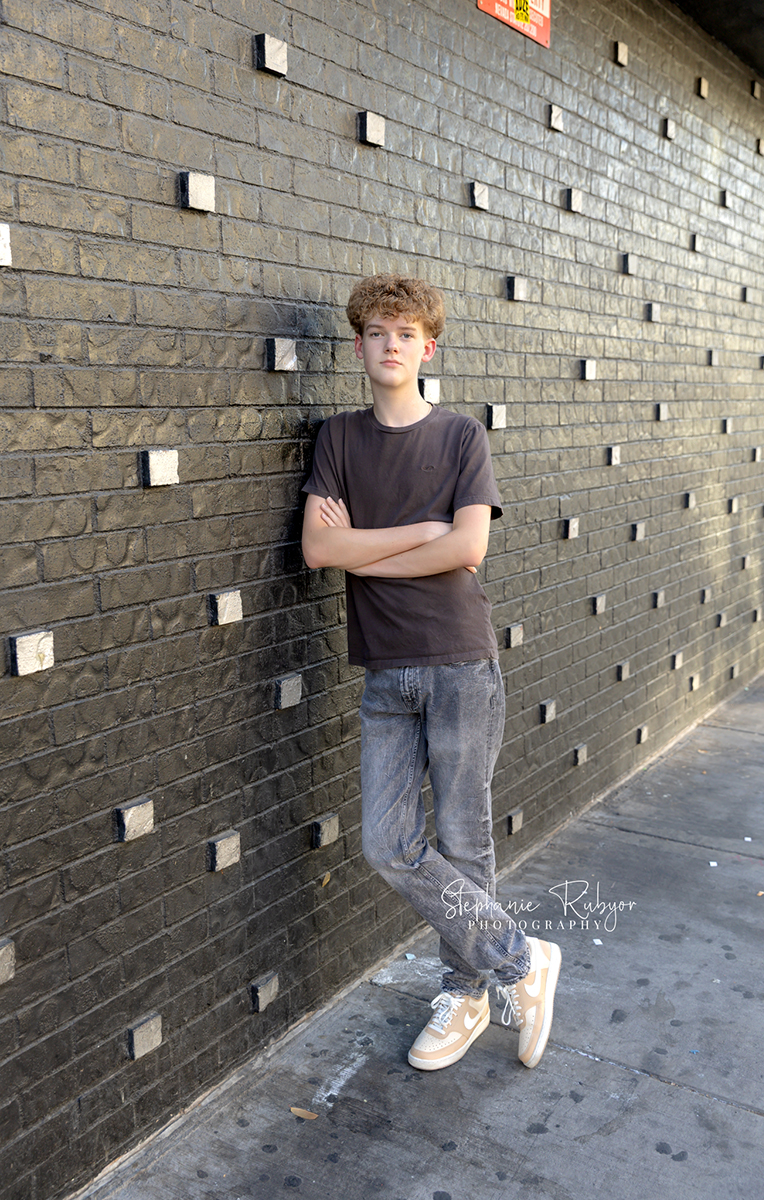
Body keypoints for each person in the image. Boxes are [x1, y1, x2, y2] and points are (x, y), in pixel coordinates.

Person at [301, 273, 560, 1071]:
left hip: (457, 664)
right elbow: (319, 552)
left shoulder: (459, 438)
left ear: (427, 347)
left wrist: (369, 547)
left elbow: (467, 549)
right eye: (377, 332)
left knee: (462, 837)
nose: (391, 345)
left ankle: (467, 995)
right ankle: (521, 959)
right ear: (358, 346)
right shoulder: (338, 440)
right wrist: (418, 529)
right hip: (386, 675)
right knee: (387, 842)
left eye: (405, 333)